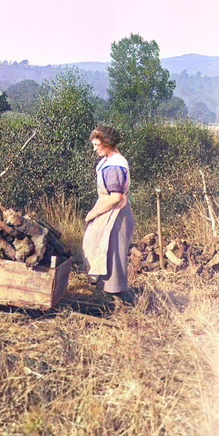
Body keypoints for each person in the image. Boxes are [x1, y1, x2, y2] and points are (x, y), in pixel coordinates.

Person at [82, 125, 135, 304]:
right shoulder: (108, 160)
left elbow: (115, 198)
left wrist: (92, 214)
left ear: (108, 143)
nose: (94, 148)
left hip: (117, 214)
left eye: (97, 145)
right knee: (101, 249)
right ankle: (106, 295)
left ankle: (118, 300)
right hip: (109, 211)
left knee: (114, 255)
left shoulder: (115, 166)